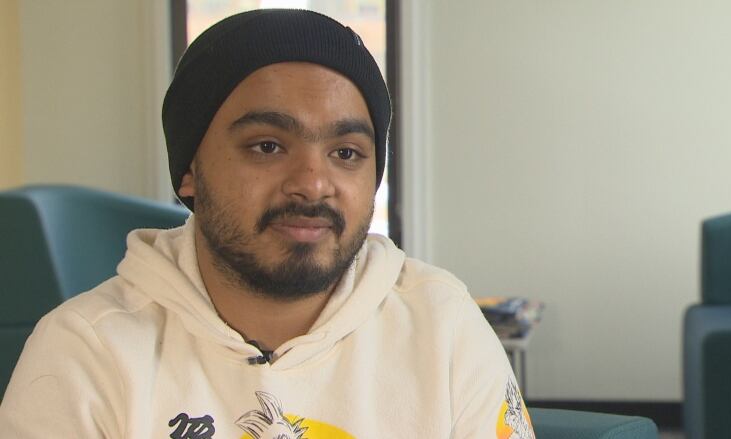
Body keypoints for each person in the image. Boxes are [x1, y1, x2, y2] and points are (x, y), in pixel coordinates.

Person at [0, 9, 535, 439]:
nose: (313, 182)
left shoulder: (440, 324)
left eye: (346, 152)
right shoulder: (86, 353)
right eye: (268, 146)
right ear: (189, 170)